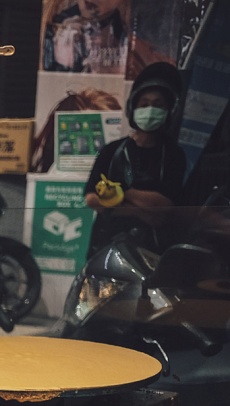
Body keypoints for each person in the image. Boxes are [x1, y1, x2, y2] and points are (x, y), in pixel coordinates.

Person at [83, 62, 187, 259]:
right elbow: (92, 199)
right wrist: (142, 211)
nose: (150, 110)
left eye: (158, 105)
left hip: (154, 248)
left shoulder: (174, 155)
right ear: (133, 108)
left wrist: (118, 193)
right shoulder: (112, 151)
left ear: (169, 111)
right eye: (144, 104)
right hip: (107, 244)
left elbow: (165, 206)